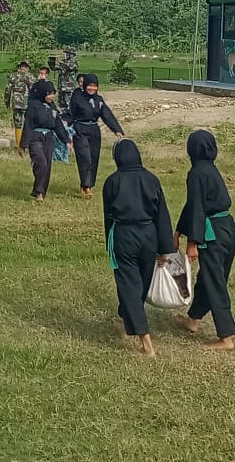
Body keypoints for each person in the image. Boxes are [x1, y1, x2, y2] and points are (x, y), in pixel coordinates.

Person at [102, 139, 175, 357]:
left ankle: (145, 339)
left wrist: (110, 242)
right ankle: (126, 319)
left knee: (128, 283)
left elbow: (108, 217)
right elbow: (162, 215)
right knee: (141, 282)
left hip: (124, 235)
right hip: (149, 234)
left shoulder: (112, 182)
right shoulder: (151, 179)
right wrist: (165, 248)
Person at [175, 129, 235, 351]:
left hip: (213, 232)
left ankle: (226, 336)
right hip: (228, 228)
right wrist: (178, 231)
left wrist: (193, 243)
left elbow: (199, 209)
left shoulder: (196, 173)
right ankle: (193, 319)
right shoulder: (209, 170)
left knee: (214, 281)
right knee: (209, 277)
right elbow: (193, 204)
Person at [67, 73, 124, 198]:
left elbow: (107, 115)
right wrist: (65, 128)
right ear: (85, 85)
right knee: (85, 158)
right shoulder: (77, 97)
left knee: (93, 158)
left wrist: (117, 130)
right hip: (80, 129)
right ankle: (86, 186)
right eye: (89, 86)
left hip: (94, 130)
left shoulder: (99, 100)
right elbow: (71, 113)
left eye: (94, 86)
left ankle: (89, 184)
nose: (92, 88)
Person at [18, 84, 71, 202]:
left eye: (53, 93)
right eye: (49, 94)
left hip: (48, 138)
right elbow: (28, 125)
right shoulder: (33, 106)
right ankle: (38, 190)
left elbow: (58, 125)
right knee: (41, 162)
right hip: (35, 137)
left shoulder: (52, 107)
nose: (51, 96)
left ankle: (41, 192)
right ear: (43, 94)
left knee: (47, 165)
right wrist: (23, 145)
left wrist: (66, 140)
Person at [4, 61, 34, 147]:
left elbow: (7, 90)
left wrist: (7, 102)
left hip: (16, 102)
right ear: (27, 67)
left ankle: (18, 144)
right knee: (28, 123)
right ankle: (27, 144)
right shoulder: (30, 76)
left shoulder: (13, 76)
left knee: (17, 123)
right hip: (26, 102)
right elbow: (33, 90)